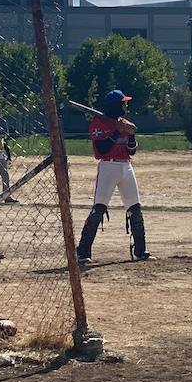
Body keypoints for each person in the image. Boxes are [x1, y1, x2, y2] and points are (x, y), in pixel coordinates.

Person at [76, 89, 150, 265]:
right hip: (108, 166)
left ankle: (140, 250)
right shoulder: (98, 123)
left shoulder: (123, 123)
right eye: (123, 103)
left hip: (126, 166)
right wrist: (116, 131)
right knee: (99, 208)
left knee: (135, 207)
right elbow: (101, 150)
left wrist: (131, 134)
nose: (126, 106)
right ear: (115, 106)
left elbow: (131, 150)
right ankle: (83, 251)